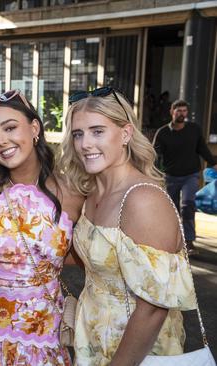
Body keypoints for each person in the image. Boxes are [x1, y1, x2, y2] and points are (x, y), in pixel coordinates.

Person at [60, 87, 196, 365]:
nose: (85, 143)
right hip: (95, 340)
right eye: (78, 134)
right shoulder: (91, 192)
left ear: (125, 133)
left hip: (135, 351)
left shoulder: (143, 199)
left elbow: (154, 308)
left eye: (98, 131)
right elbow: (100, 257)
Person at [0, 90, 84, 366]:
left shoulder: (74, 194)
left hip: (42, 343)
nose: (1, 141)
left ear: (34, 128)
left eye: (10, 128)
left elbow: (90, 256)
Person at [153, 99, 217, 254]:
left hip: (191, 175)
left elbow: (202, 148)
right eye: (178, 111)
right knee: (172, 210)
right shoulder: (163, 133)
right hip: (171, 176)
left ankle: (189, 241)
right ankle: (172, 239)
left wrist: (213, 163)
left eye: (184, 111)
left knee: (188, 205)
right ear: (171, 112)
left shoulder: (194, 129)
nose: (181, 114)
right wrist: (153, 172)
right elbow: (154, 155)